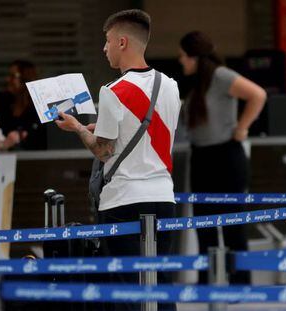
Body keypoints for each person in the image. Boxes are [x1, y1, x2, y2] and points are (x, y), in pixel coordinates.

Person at [55, 9, 181, 311]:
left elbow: (103, 151)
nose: (104, 48)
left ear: (122, 42)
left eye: (108, 41)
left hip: (123, 200)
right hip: (164, 196)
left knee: (124, 286)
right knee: (159, 281)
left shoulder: (112, 91)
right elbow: (144, 134)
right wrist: (101, 129)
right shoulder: (171, 85)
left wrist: (76, 129)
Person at [178, 31, 267, 283]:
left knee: (233, 225)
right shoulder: (197, 82)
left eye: (183, 56)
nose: (181, 61)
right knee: (203, 224)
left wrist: (242, 128)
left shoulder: (220, 75)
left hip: (226, 156)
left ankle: (240, 283)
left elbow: (257, 95)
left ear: (195, 57)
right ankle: (206, 281)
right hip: (202, 157)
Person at [0, 60, 47, 150]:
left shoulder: (40, 107)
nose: (8, 79)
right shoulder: (0, 101)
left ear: (26, 78)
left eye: (13, 76)